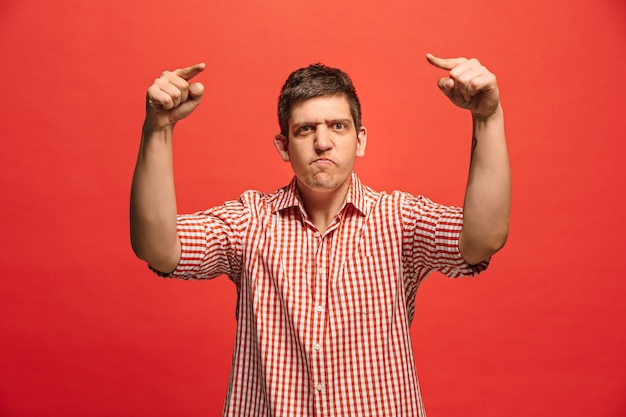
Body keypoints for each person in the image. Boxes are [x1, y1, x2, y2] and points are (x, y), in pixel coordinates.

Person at [130, 54, 510, 417]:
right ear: (284, 146)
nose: (323, 142)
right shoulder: (250, 222)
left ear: (360, 140)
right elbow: (160, 250)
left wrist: (487, 118)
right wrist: (158, 128)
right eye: (306, 129)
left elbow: (482, 240)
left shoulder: (400, 220)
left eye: (337, 126)